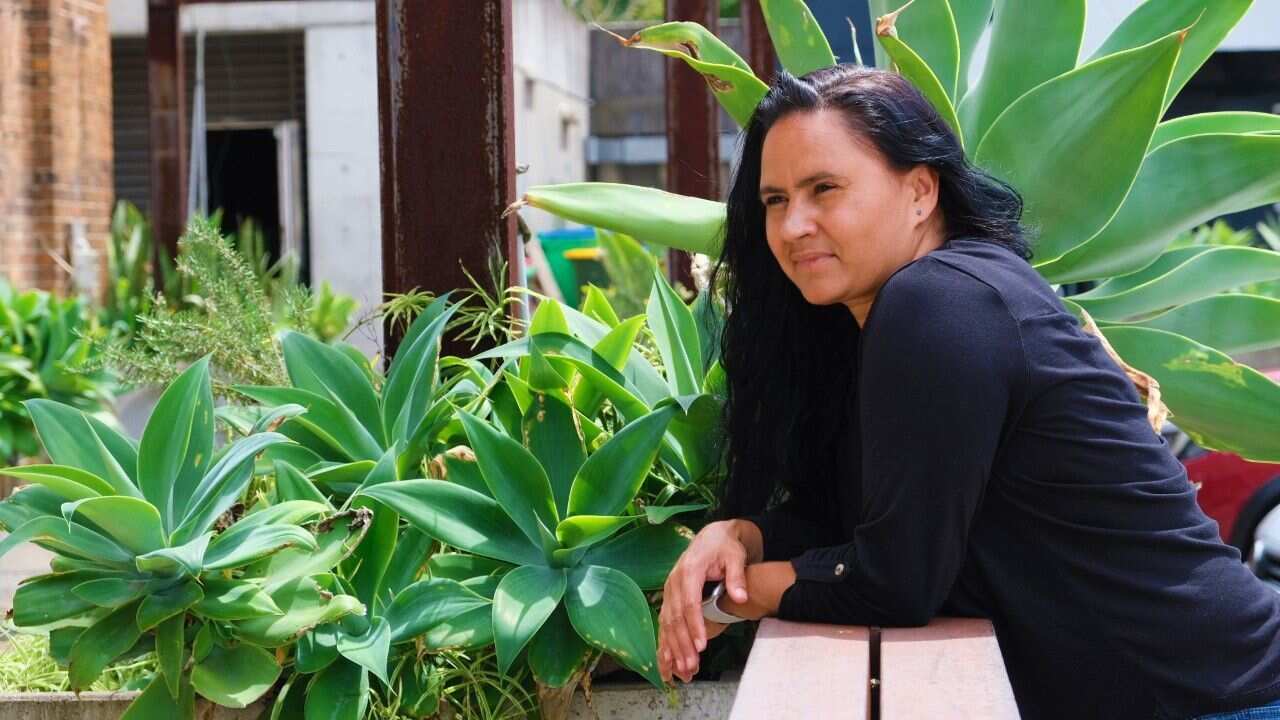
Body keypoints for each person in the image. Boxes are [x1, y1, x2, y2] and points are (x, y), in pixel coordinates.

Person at [657, 64, 1280, 720]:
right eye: (775, 200)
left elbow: (893, 582)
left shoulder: (941, 302)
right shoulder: (893, 318)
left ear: (921, 191)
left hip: (1219, 699)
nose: (792, 226)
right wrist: (744, 535)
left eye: (824, 189)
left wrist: (737, 595)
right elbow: (865, 522)